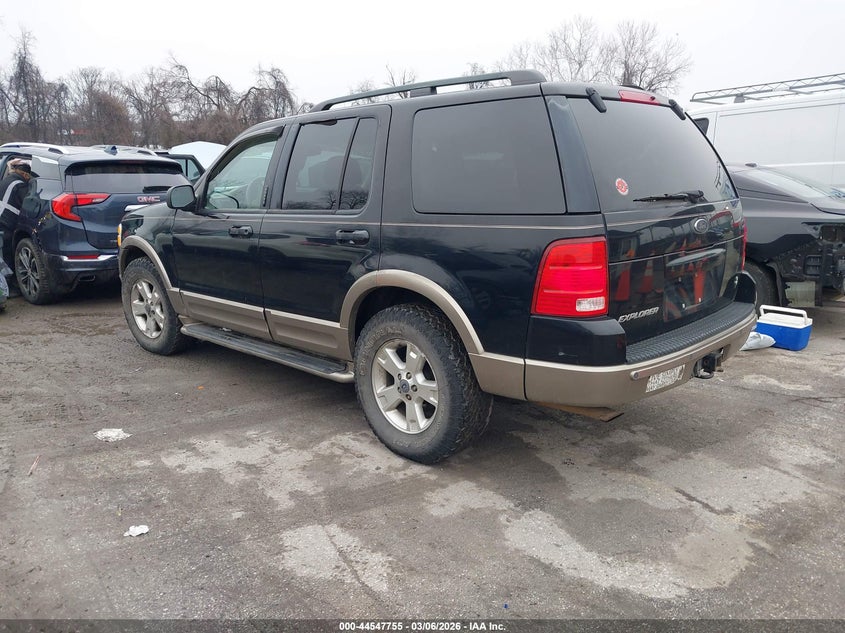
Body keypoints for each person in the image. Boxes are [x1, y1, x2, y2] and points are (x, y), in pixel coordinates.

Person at [1, 158, 38, 303]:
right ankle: (11, 287)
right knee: (8, 254)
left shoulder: (6, 180)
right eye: (28, 176)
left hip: (2, 221)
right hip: (5, 224)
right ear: (25, 174)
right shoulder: (20, 185)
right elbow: (29, 204)